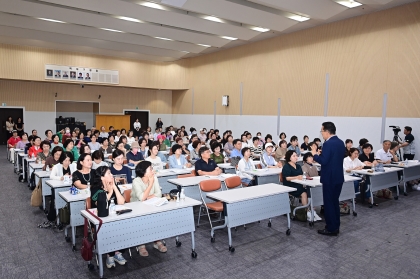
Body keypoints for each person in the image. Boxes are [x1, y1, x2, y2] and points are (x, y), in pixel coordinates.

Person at [310, 121, 345, 236]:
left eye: (322, 131)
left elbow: (324, 161)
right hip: (338, 177)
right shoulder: (340, 142)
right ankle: (335, 225)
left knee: (329, 203)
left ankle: (331, 228)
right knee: (335, 202)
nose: (321, 133)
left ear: (326, 131)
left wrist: (315, 154)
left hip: (329, 178)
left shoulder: (328, 144)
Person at [90, 166, 127, 268]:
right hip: (101, 218)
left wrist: (114, 186)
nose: (112, 175)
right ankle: (109, 254)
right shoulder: (95, 189)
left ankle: (117, 252)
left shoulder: (113, 185)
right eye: (109, 174)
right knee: (110, 228)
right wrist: (110, 192)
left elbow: (121, 202)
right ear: (102, 178)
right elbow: (100, 205)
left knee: (123, 225)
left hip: (115, 216)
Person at [131, 161, 167, 256]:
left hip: (151, 205)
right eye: (150, 169)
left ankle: (157, 241)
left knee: (157, 219)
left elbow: (159, 194)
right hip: (137, 208)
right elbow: (141, 198)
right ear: (144, 172)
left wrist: (147, 197)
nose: (152, 170)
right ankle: (141, 245)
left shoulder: (154, 177)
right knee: (141, 222)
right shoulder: (136, 181)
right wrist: (150, 185)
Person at [38, 152, 76, 229]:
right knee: (55, 201)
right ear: (62, 160)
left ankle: (70, 218)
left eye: (69, 160)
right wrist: (60, 178)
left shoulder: (73, 166)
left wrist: (73, 176)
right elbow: (51, 176)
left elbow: (76, 174)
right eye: (65, 160)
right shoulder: (56, 167)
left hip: (70, 187)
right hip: (58, 188)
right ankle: (53, 218)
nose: (67, 162)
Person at [283, 150, 320, 221]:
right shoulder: (286, 166)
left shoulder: (298, 166)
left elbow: (301, 175)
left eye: (296, 155)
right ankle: (307, 212)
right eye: (294, 156)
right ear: (289, 158)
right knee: (304, 193)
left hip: (298, 184)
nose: (296, 157)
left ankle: (310, 210)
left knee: (310, 191)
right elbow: (287, 178)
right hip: (290, 186)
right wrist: (296, 177)